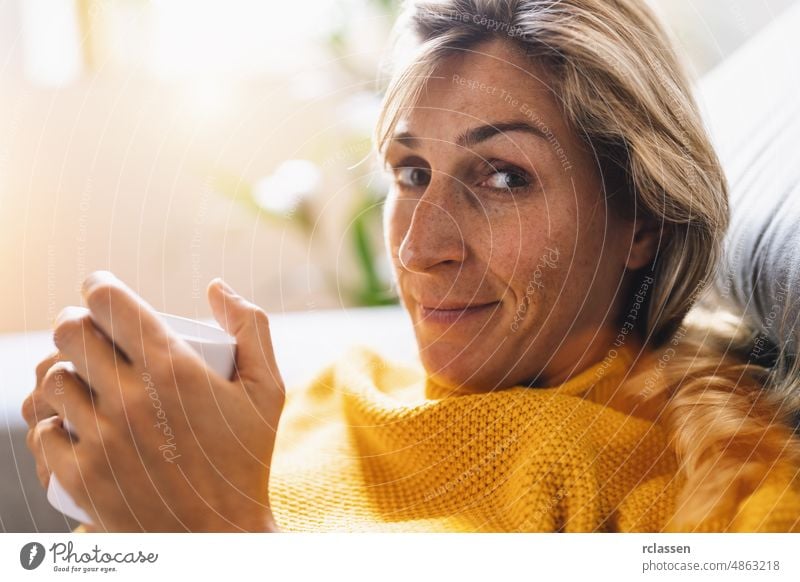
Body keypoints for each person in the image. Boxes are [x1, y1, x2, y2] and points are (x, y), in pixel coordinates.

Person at [23, 0, 800, 532]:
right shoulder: (339, 391)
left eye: (502, 176)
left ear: (643, 221)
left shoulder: (681, 486)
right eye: (410, 174)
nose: (417, 247)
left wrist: (220, 534)